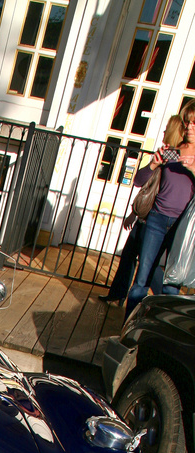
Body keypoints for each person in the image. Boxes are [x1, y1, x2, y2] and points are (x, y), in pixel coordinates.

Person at [102, 115, 184, 304]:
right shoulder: (163, 155)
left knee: (148, 264)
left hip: (155, 218)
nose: (163, 132)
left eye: (166, 129)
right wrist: (135, 212)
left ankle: (164, 300)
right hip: (148, 216)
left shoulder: (182, 160)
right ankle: (118, 294)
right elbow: (144, 184)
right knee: (131, 255)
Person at [125, 102, 195, 315]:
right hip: (156, 219)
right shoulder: (173, 149)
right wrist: (154, 164)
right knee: (141, 279)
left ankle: (163, 327)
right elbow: (139, 180)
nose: (190, 127)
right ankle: (128, 327)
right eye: (187, 122)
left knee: (171, 284)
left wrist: (192, 168)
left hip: (182, 226)